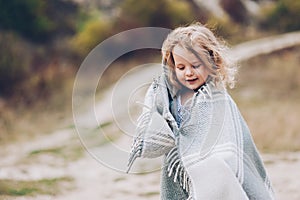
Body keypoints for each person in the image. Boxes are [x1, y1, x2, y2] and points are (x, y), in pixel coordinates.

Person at [127, 22, 274, 200]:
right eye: (181, 67)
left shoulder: (217, 99)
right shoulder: (169, 99)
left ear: (211, 62)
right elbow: (156, 125)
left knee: (214, 175)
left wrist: (212, 161)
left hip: (212, 170)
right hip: (183, 170)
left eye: (195, 65)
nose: (188, 72)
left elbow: (231, 144)